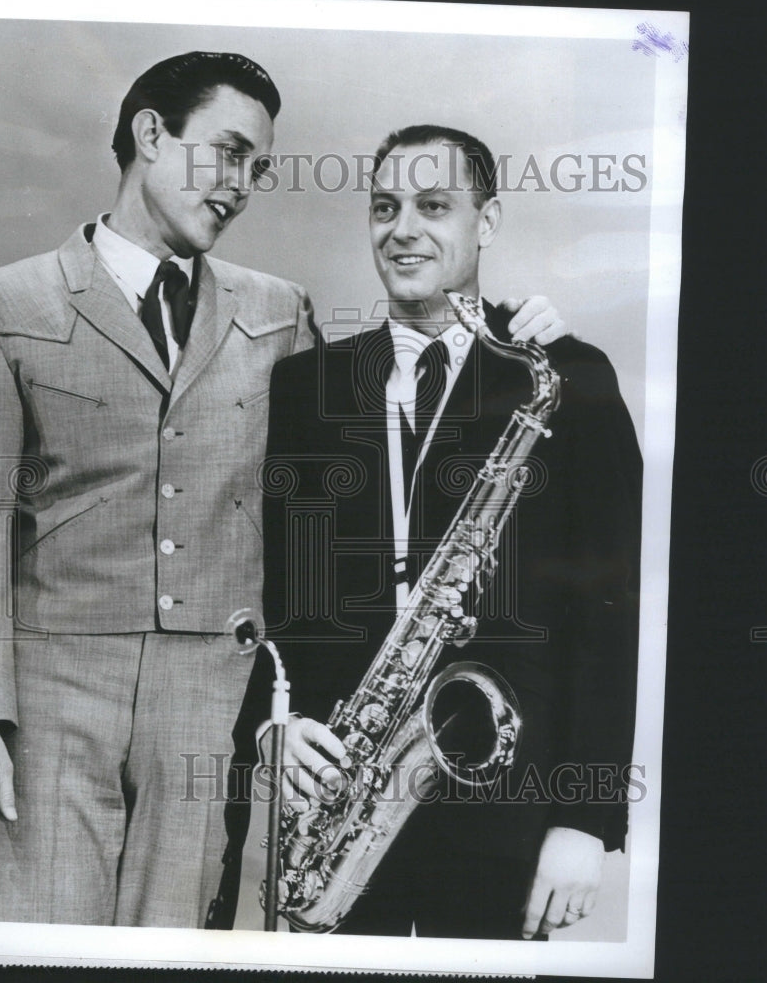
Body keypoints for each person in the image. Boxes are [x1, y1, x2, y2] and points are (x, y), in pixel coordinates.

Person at [0, 55, 565, 929]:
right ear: (151, 134)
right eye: (227, 153)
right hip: (50, 707)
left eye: (258, 168)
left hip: (212, 708)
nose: (240, 187)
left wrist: (506, 324)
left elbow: (373, 451)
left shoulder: (280, 310)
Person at [233, 125, 642, 939]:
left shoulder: (564, 375)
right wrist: (274, 727)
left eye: (434, 205)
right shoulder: (306, 384)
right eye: (385, 207)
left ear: (485, 223)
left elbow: (610, 612)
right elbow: (271, 589)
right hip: (335, 803)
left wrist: (587, 820)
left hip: (505, 802)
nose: (403, 228)